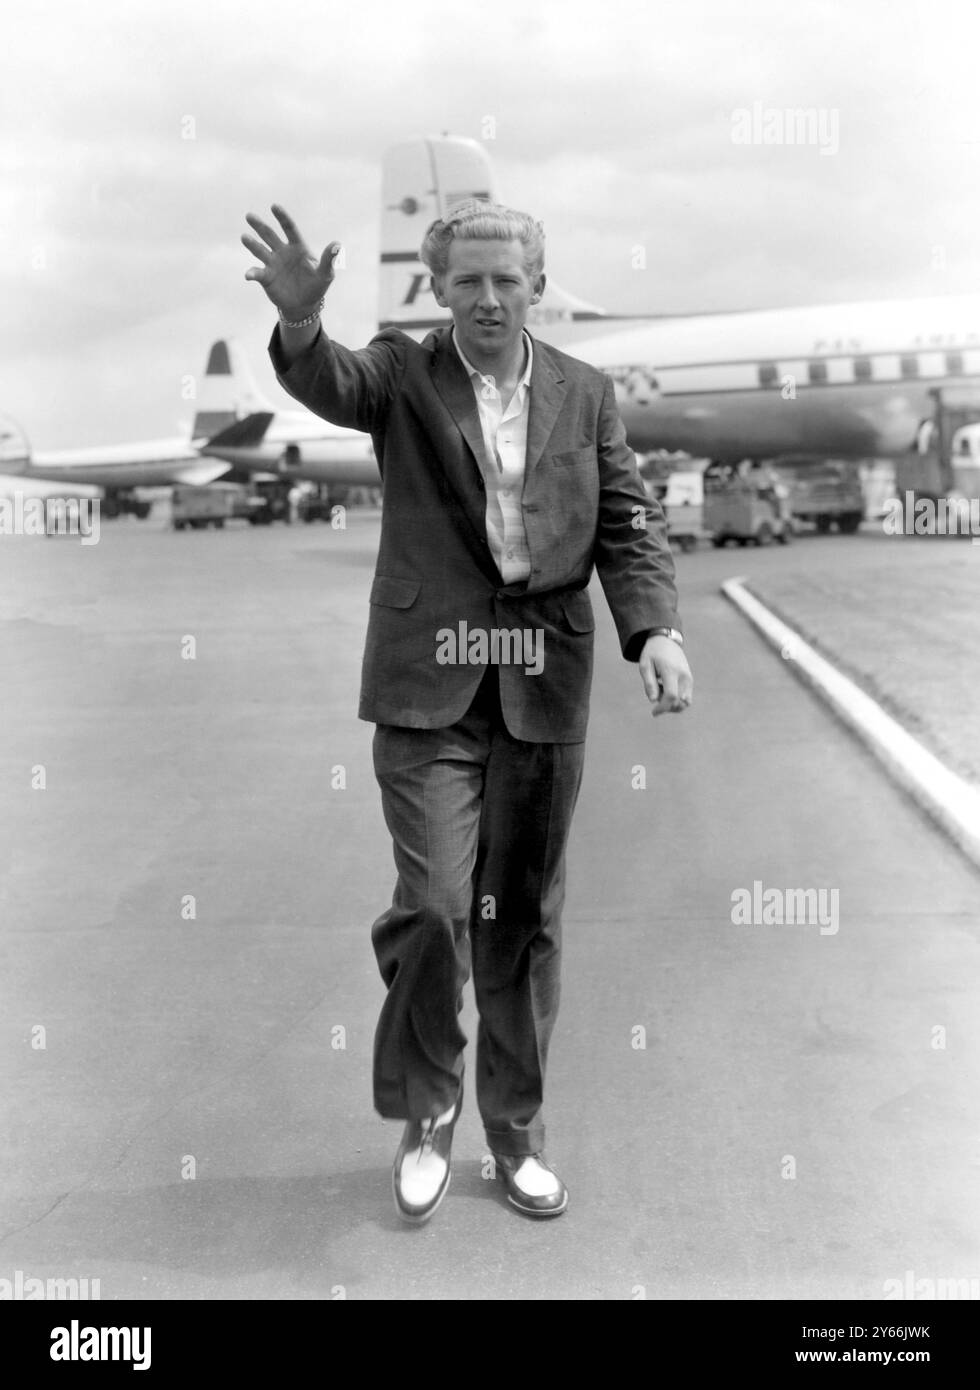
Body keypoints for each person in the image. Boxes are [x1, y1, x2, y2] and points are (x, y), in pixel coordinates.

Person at [241, 197, 694, 1223]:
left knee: (522, 919)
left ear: (536, 284)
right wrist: (303, 324)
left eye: (506, 279)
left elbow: (625, 517)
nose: (487, 298)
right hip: (427, 680)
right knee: (441, 905)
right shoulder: (403, 375)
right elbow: (330, 379)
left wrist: (653, 629)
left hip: (541, 680)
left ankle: (517, 1129)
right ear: (437, 289)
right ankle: (428, 1109)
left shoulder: (583, 391)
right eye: (467, 281)